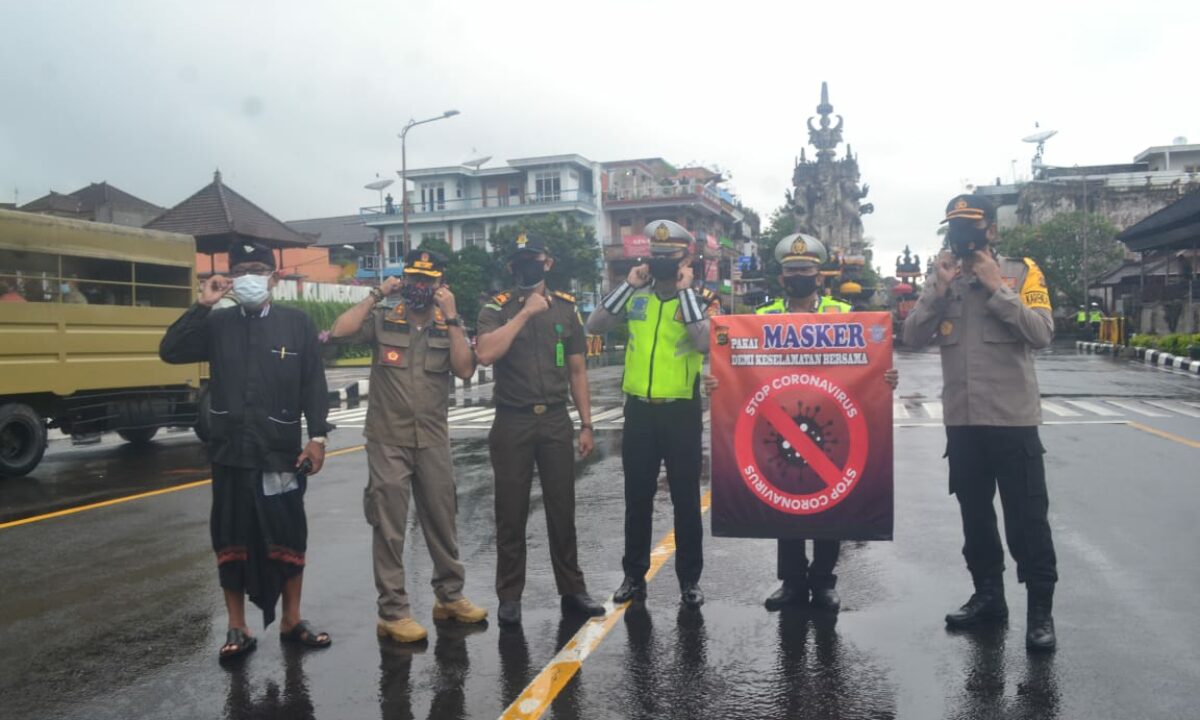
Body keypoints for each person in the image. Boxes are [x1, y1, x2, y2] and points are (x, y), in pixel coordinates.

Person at [160, 240, 332, 662]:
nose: (250, 277)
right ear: (232, 279)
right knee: (231, 536)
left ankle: (292, 620)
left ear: (273, 277)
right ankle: (237, 626)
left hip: (280, 454)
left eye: (258, 269)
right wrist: (203, 304)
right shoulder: (218, 325)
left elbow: (313, 382)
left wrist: (317, 438)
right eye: (242, 270)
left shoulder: (297, 324)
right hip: (230, 453)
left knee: (289, 534)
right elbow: (171, 351)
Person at [902, 194, 1058, 651]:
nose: (961, 234)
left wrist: (997, 288)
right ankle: (989, 598)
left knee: (1028, 521)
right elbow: (911, 335)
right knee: (976, 519)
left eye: (970, 225)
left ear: (990, 230)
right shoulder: (945, 277)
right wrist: (938, 289)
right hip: (963, 424)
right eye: (954, 225)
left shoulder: (1021, 272)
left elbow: (1042, 333)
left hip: (1013, 423)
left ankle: (1040, 613)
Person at [330, 248, 487, 644]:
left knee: (442, 519)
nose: (420, 287)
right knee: (389, 527)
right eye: (414, 279)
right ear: (405, 280)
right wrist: (374, 295)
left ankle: (449, 597)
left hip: (433, 438)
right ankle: (393, 612)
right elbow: (340, 330)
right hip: (388, 439)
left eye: (428, 281)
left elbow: (466, 369)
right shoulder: (384, 319)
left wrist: (451, 317)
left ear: (439, 285)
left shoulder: (446, 323)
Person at [749, 233, 898, 613]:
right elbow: (738, 358)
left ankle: (824, 581)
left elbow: (869, 357)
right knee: (787, 500)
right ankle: (791, 582)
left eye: (806, 270)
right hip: (781, 421)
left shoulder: (843, 314)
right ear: (781, 278)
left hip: (830, 420)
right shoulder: (763, 318)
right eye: (791, 271)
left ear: (820, 276)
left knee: (829, 503)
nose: (799, 276)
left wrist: (885, 376)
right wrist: (720, 379)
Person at [586, 220, 720, 609]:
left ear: (685, 259)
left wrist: (685, 293)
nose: (662, 263)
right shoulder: (636, 297)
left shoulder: (701, 300)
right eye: (656, 257)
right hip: (639, 413)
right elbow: (595, 324)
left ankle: (689, 580)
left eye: (670, 258)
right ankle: (633, 575)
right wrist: (629, 283)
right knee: (637, 497)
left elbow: (705, 342)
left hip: (681, 411)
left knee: (685, 500)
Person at [474, 232, 605, 626]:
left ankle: (572, 589)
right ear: (512, 268)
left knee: (561, 508)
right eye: (520, 261)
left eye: (535, 259)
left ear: (547, 263)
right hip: (512, 419)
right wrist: (526, 312)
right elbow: (485, 353)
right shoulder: (495, 309)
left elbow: (578, 370)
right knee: (510, 512)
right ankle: (509, 595)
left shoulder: (567, 310)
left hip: (554, 419)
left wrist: (586, 424)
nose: (527, 266)